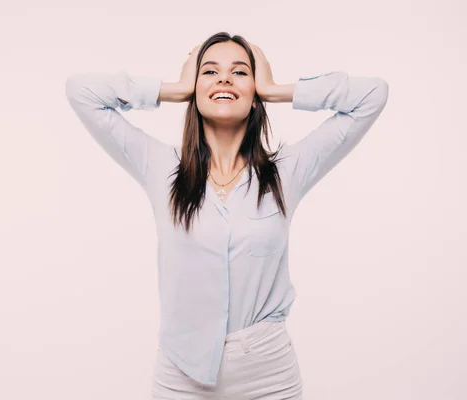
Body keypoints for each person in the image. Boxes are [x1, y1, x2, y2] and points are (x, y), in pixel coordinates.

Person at [65, 31, 389, 399]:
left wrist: (275, 88)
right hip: (181, 376)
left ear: (255, 97)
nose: (223, 79)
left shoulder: (287, 171)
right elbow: (81, 91)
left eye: (239, 72)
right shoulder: (159, 165)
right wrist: (172, 88)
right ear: (194, 91)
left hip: (269, 377)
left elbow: (372, 95)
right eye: (209, 72)